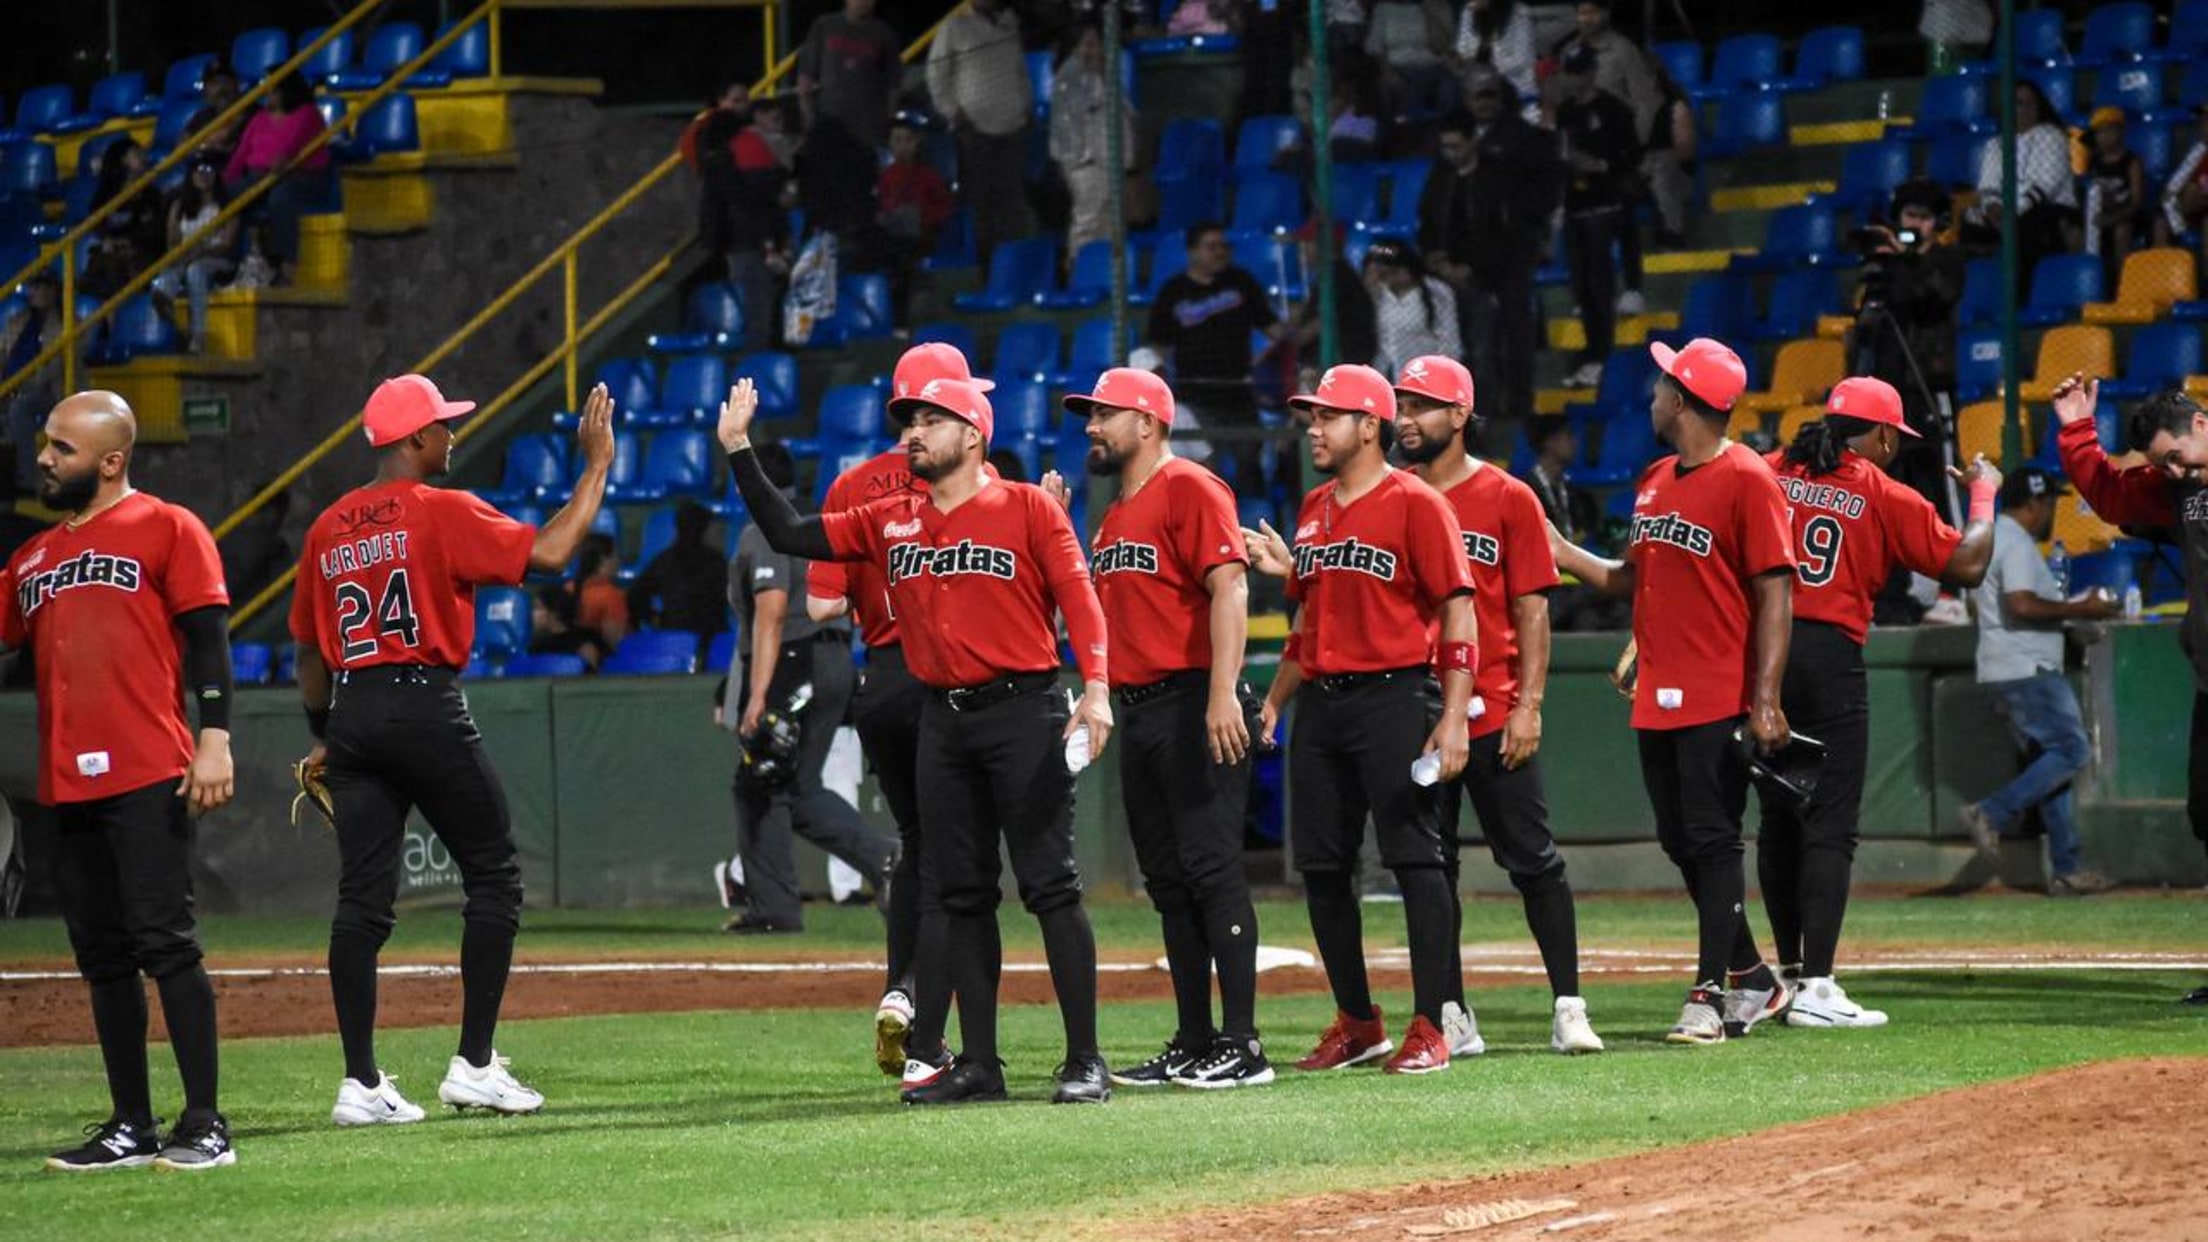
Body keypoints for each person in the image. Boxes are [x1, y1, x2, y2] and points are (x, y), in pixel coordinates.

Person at [722, 363, 1116, 1107]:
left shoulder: (1029, 507)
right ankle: (981, 1064)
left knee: (1049, 888)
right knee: (962, 893)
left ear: (974, 434)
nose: (914, 432)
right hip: (943, 722)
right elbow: (788, 532)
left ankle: (1085, 1060)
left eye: (932, 420)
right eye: (910, 420)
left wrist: (1096, 689)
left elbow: (1081, 599)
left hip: (1023, 712)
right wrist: (739, 449)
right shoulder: (887, 518)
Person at [290, 375, 616, 1124]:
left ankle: (360, 1083)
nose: (451, 433)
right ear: (414, 439)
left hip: (353, 708)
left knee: (361, 902)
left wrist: (322, 731)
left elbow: (308, 649)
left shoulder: (327, 528)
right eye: (441, 424)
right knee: (494, 875)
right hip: (422, 700)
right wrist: (596, 466)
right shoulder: (439, 508)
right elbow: (553, 551)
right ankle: (474, 1064)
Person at [1, 391, 236, 1171]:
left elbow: (209, 639)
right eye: (45, 443)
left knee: (167, 945)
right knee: (102, 958)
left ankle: (205, 1124)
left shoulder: (168, 526)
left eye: (61, 448)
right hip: (66, 784)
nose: (43, 458)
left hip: (148, 771)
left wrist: (215, 738)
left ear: (110, 461)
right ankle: (130, 1125)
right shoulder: (32, 559)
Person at [1546, 338, 1798, 1045]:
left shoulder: (1748, 478)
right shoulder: (1657, 477)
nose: (1652, 396)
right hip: (1659, 689)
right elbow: (1633, 580)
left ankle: (1709, 995)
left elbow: (1776, 595)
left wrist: (1767, 698)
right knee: (1679, 839)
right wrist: (1563, 553)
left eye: (1662, 386)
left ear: (1681, 399)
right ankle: (1754, 977)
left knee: (1713, 841)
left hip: (1719, 689)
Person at [1245, 363, 1477, 1076]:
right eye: (1312, 417)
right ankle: (1358, 1022)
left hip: (1394, 696)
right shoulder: (1314, 506)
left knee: (1415, 860)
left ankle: (1432, 1025)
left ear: (1369, 426)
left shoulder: (1416, 503)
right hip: (1322, 703)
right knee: (1321, 868)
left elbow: (1458, 610)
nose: (1314, 429)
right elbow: (1308, 622)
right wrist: (1278, 699)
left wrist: (1455, 716)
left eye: (1328, 417)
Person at [1763, 377, 2000, 1026]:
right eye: (1895, 437)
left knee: (1779, 817)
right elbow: (1968, 564)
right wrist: (1983, 492)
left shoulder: (1767, 469)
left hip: (1759, 655)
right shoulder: (1879, 490)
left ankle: (1786, 974)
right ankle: (1817, 988)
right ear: (1885, 436)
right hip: (1828, 658)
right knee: (1829, 823)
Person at [1387, 356, 1606, 1055]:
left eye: (1421, 405)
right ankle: (1451, 1012)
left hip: (1492, 705)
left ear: (1459, 414)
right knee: (1433, 869)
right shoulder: (1392, 494)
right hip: (1417, 709)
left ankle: (1569, 1006)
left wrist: (1528, 705)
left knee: (1533, 861)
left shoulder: (1509, 496)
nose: (1405, 419)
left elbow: (1531, 610)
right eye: (1401, 405)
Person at [1070, 367, 1271, 1089]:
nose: (1092, 427)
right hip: (1143, 708)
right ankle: (1194, 1038)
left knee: (1212, 872)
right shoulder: (1114, 516)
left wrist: (1221, 694)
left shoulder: (1189, 486)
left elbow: (1230, 586)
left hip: (1195, 700)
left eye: (1105, 414)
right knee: (1169, 881)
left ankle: (1244, 1045)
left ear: (1149, 421)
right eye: (1091, 415)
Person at [803, 343, 998, 1078]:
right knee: (963, 861)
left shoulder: (852, 484)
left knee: (918, 846)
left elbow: (821, 604)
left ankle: (900, 988)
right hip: (948, 681)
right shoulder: (970, 478)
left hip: (880, 681)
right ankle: (930, 1025)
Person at [723, 441, 895, 935]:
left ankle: (774, 910)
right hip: (835, 657)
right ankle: (888, 860)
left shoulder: (766, 529)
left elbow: (772, 611)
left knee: (760, 782)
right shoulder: (817, 522)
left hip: (795, 659)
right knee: (798, 789)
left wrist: (758, 694)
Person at [2055, 381, 2208, 928]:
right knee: (2205, 811)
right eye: (2164, 463)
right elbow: (2113, 496)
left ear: (2201, 425)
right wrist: (2078, 431)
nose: (2174, 470)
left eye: (2176, 456)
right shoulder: (2181, 490)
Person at [1956, 460, 2119, 896]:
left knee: (2050, 765)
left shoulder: (1993, 536)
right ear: (2033, 503)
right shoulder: (2015, 541)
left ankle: (2067, 867)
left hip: (2005, 666)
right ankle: (1991, 812)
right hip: (2025, 669)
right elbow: (2022, 605)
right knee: (2071, 750)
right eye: (2048, 504)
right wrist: (2084, 609)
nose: (2050, 512)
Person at [1420, 100, 1555, 424]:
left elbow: (1508, 232)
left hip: (1501, 270)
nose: (1450, 153)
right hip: (1453, 273)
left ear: (1472, 141)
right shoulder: (1441, 177)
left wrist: (1473, 267)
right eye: (1445, 146)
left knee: (1509, 332)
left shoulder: (1499, 176)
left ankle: (1514, 404)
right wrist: (1436, 258)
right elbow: (1428, 223)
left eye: (1456, 146)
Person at [1145, 221, 1287, 498]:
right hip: (1195, 397)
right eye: (1212, 247)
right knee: (1206, 473)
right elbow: (1158, 346)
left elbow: (1274, 330)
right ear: (1192, 252)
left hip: (1239, 394)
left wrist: (1274, 352)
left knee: (1250, 466)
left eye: (1224, 246)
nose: (1220, 252)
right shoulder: (1173, 291)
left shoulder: (1241, 282)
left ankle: (1253, 518)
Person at [1851, 179, 1966, 509]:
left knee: (1937, 478)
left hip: (1928, 386)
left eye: (1924, 218)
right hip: (1889, 386)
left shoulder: (1947, 259)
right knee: (1889, 481)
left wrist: (1907, 259)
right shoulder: (1887, 263)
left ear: (1938, 223)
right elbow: (1867, 321)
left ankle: (1949, 539)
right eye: (1910, 216)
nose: (1915, 225)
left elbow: (1936, 294)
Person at [1551, 43, 1641, 390]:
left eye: (1580, 71)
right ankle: (1592, 353)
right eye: (1569, 72)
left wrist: (1600, 165)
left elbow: (1631, 156)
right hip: (1576, 206)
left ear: (1591, 71)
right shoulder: (1565, 112)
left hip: (1606, 205)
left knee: (1599, 284)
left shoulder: (1613, 109)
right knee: (1582, 286)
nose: (1574, 79)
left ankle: (1603, 356)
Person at [926, 0, 1035, 261]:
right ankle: (988, 267)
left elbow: (1020, 70)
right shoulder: (954, 27)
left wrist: (1026, 105)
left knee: (1012, 201)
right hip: (974, 130)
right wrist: (953, 112)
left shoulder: (1010, 24)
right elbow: (936, 73)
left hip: (1013, 127)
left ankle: (1014, 264)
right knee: (983, 203)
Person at [686, 85, 789, 353]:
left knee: (755, 314)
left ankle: (755, 367)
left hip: (735, 243)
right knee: (759, 316)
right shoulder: (746, 148)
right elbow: (760, 198)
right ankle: (758, 369)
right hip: (753, 242)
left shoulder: (713, 156)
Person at [1966, 79, 2078, 299]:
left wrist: (2012, 213)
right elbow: (1988, 186)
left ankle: (2020, 299)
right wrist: (1993, 208)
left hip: (2049, 208)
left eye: (2030, 103)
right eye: (2018, 103)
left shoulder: (2052, 136)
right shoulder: (1996, 144)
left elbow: (2046, 185)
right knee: (1968, 224)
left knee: (2025, 227)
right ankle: (1981, 298)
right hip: (2007, 212)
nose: (2025, 109)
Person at [222, 73, 331, 288]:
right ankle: (227, 263)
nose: (266, 94)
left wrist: (280, 163)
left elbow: (291, 146)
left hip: (302, 175)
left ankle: (287, 266)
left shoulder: (308, 113)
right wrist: (227, 179)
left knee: (281, 197)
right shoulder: (260, 117)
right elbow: (241, 153)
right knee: (226, 194)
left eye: (272, 89)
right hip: (259, 176)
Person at [1049, 23, 1138, 258]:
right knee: (1088, 221)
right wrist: (1083, 161)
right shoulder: (1068, 79)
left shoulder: (1109, 79)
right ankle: (1079, 268)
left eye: (1097, 44)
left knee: (1111, 222)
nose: (1093, 50)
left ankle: (1106, 270)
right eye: (1087, 44)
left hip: (1113, 161)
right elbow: (1070, 124)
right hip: (1087, 163)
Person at [152, 159, 239, 354]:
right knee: (165, 278)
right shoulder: (179, 206)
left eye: (208, 169)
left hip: (216, 258)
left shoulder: (227, 205)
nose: (203, 174)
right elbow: (173, 241)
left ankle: (199, 336)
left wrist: (202, 251)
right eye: (198, 170)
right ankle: (173, 320)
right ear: (190, 175)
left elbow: (227, 243)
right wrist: (181, 254)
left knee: (195, 270)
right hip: (186, 257)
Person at [874, 116, 954, 326]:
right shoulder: (886, 177)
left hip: (923, 235)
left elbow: (944, 208)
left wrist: (922, 217)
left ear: (916, 143)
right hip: (893, 235)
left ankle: (902, 320)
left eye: (907, 140)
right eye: (897, 140)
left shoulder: (929, 176)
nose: (902, 146)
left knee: (902, 260)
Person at [796, 0, 902, 151]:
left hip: (869, 126)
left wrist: (889, 120)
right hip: (830, 120)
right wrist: (808, 118)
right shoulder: (824, 25)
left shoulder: (884, 32)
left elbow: (894, 82)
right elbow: (806, 77)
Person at [82, 138, 167, 303]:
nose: (144, 157)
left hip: (142, 253)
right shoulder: (106, 195)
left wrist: (128, 241)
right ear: (122, 160)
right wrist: (108, 240)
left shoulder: (152, 195)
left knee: (120, 269)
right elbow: (97, 222)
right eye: (136, 153)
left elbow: (156, 230)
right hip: (112, 253)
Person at [627, 500, 726, 639]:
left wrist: (655, 618)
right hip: (711, 639)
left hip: (673, 637)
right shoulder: (717, 563)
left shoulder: (665, 561)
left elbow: (635, 596)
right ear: (704, 530)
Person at [1363, 238, 1459, 377]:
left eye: (1395, 269)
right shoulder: (1380, 294)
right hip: (1389, 375)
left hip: (1427, 374)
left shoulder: (1436, 292)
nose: (1390, 275)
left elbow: (1450, 341)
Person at [2082, 106, 2147, 292]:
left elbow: (2137, 201)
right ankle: (2089, 281)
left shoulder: (2131, 161)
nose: (2104, 137)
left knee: (2121, 230)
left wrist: (2113, 217)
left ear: (2120, 131)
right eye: (2099, 132)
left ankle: (2122, 284)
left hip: (2126, 215)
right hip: (2100, 213)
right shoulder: (2093, 161)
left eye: (2108, 130)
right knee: (2076, 230)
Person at [1364, 0, 1456, 118]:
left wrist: (1429, 13)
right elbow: (1374, 47)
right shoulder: (1384, 9)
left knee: (1448, 85)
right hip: (1397, 68)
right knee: (1387, 87)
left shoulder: (1438, 6)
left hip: (1433, 67)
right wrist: (1389, 73)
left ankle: (1442, 126)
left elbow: (1442, 46)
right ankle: (1400, 125)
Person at [1453, 0, 1537, 112]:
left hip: (1515, 81)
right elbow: (1462, 48)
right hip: (1477, 77)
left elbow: (1521, 60)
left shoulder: (1520, 12)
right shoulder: (1469, 9)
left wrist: (1490, 70)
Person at [2155, 106, 2208, 269]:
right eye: (2203, 121)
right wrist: (2179, 227)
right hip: (2194, 212)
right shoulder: (2198, 151)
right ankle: (2165, 276)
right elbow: (2169, 192)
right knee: (2160, 224)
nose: (2205, 125)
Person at [526, 583, 606, 669]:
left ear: (554, 613)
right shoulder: (537, 646)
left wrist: (593, 663)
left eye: (537, 608)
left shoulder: (588, 637)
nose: (532, 614)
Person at [571, 534, 630, 652]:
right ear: (603, 560)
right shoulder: (611, 596)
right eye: (615, 556)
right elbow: (615, 643)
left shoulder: (568, 587)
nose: (619, 561)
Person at [181, 63, 245, 168]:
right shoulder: (203, 115)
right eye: (214, 83)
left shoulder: (248, 110)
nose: (221, 88)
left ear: (237, 85)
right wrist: (209, 146)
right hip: (203, 169)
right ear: (205, 89)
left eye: (226, 81)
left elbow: (226, 140)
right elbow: (182, 144)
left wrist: (202, 146)